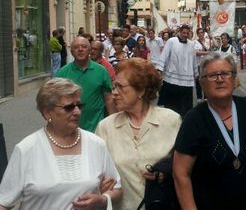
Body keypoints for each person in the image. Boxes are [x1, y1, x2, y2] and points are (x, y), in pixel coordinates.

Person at [173, 53, 246, 210]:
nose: (220, 79)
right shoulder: (194, 119)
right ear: (202, 83)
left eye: (225, 73)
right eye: (212, 75)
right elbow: (180, 174)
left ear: (234, 79)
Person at [0, 78, 122, 209]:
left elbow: (117, 190)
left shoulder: (96, 144)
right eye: (69, 107)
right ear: (47, 112)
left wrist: (103, 199)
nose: (77, 112)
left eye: (79, 105)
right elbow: (4, 202)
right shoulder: (26, 149)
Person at [96, 58, 181, 210]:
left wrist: (165, 172)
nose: (114, 93)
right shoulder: (105, 127)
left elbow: (186, 166)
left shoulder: (171, 120)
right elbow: (97, 173)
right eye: (114, 86)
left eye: (120, 87)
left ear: (141, 90)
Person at [57, 36, 114, 132]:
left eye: (84, 47)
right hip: (71, 128)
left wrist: (113, 123)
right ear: (71, 51)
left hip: (97, 127)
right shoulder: (62, 73)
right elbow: (56, 102)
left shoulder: (101, 71)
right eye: (76, 47)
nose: (80, 50)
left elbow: (108, 99)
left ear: (89, 50)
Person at [156, 24, 198, 117]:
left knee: (185, 106)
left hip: (186, 78)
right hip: (172, 77)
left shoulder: (191, 44)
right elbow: (165, 54)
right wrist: (159, 69)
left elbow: (193, 58)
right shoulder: (171, 41)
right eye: (184, 33)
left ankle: (184, 120)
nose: (185, 35)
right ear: (180, 32)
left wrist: (196, 73)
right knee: (171, 106)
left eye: (187, 33)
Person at [194, 28, 210, 103]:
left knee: (207, 80)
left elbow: (216, 46)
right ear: (197, 34)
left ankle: (206, 95)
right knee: (199, 80)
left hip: (207, 64)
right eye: (199, 33)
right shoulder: (195, 42)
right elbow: (196, 52)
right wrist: (207, 53)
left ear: (204, 33)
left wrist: (212, 37)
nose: (201, 34)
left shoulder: (208, 41)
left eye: (202, 32)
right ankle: (199, 96)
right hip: (199, 64)